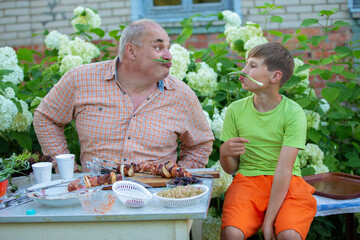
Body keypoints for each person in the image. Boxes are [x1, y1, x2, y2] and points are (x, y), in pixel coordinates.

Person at [33, 19, 214, 172]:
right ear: (131, 51)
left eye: (168, 47)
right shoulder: (80, 80)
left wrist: (178, 177)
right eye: (158, 47)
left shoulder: (181, 95)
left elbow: (200, 144)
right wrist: (67, 170)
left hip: (156, 200)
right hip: (96, 197)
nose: (168, 55)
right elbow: (46, 118)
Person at [219, 42, 316, 240]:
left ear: (275, 76)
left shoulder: (293, 112)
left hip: (288, 182)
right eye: (246, 64)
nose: (243, 71)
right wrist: (225, 152)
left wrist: (269, 221)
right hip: (248, 181)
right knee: (231, 233)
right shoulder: (235, 110)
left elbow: (283, 170)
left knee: (289, 235)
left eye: (253, 66)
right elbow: (230, 169)